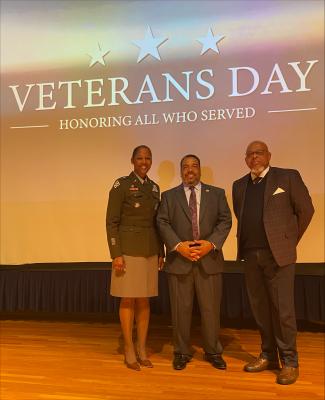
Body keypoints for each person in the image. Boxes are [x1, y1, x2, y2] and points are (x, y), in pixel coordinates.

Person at [232, 140, 314, 385]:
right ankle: (268, 355)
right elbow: (241, 214)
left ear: (268, 155)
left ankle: (290, 361)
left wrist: (288, 241)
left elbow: (306, 210)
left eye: (259, 153)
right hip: (251, 256)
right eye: (250, 154)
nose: (254, 157)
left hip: (278, 256)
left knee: (283, 311)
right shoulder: (239, 185)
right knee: (260, 309)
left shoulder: (287, 177)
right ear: (245, 159)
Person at [157, 154, 232, 370]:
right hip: (179, 261)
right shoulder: (169, 196)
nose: (190, 170)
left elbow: (225, 220)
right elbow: (162, 222)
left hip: (209, 259)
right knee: (180, 311)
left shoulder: (217, 194)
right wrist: (179, 246)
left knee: (211, 310)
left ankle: (213, 351)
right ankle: (181, 352)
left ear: (200, 169)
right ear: (181, 171)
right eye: (186, 167)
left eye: (194, 166)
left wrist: (211, 244)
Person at [106, 145, 164, 371]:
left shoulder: (154, 188)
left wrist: (161, 251)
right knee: (128, 299)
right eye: (139, 158)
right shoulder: (121, 185)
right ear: (132, 160)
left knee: (144, 300)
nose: (144, 161)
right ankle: (129, 348)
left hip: (150, 249)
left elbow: (157, 224)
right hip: (128, 250)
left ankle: (142, 347)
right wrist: (116, 254)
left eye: (148, 158)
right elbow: (111, 222)